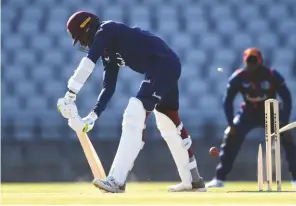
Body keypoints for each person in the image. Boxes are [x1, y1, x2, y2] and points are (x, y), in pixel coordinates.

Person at [57, 11, 206, 193]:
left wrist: (71, 93)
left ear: (88, 28)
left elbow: (89, 62)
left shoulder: (106, 29)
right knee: (167, 121)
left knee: (134, 112)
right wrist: (93, 115)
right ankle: (193, 181)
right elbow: (108, 87)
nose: (82, 43)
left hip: (162, 64)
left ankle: (117, 181)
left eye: (81, 38)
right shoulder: (107, 50)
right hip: (165, 65)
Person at [205, 48, 296, 189]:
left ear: (260, 61)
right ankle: (219, 178)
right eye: (249, 61)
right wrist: (230, 124)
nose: (251, 64)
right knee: (230, 136)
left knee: (288, 139)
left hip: (271, 112)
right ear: (245, 61)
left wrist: (285, 122)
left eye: (254, 61)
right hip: (248, 112)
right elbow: (227, 100)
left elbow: (286, 98)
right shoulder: (239, 77)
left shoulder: (272, 75)